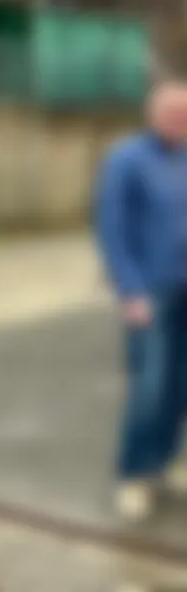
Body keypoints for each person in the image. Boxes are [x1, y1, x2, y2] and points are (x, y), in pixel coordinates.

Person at [93, 69, 187, 522]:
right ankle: (133, 474)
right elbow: (112, 229)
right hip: (150, 294)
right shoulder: (127, 159)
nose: (179, 119)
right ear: (154, 113)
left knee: (178, 388)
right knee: (150, 386)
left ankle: (161, 466)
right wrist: (129, 290)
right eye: (172, 111)